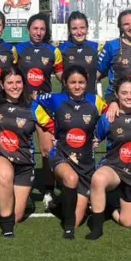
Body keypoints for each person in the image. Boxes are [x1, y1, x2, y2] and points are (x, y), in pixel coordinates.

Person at [34, 66, 107, 239]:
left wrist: (98, 136)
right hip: (61, 156)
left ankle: (59, 205)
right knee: (71, 179)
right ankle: (68, 229)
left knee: (77, 219)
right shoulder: (56, 99)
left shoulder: (95, 101)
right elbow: (34, 103)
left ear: (86, 82)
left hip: (86, 163)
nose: (77, 86)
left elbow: (111, 115)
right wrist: (51, 127)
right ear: (65, 83)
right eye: (72, 82)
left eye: (81, 82)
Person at [87, 78, 131, 241]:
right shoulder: (108, 117)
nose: (129, 97)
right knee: (99, 178)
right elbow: (94, 139)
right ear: (117, 95)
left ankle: (110, 204)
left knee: (128, 222)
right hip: (114, 168)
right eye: (124, 93)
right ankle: (97, 227)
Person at [0, 67, 38, 238]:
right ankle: (6, 227)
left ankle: (7, 200)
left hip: (24, 163)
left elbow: (52, 124)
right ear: (2, 85)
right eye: (9, 83)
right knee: (4, 173)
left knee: (17, 216)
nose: (14, 86)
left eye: (18, 82)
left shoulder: (34, 106)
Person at [15, 13, 63, 104]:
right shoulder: (18, 49)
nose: (38, 33)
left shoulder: (54, 51)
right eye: (35, 28)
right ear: (28, 29)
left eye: (42, 29)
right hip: (22, 101)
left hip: (44, 102)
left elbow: (63, 77)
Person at [57, 11, 102, 95]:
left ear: (87, 28)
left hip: (89, 101)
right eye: (74, 28)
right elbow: (58, 73)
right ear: (69, 30)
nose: (79, 32)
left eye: (82, 27)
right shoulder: (61, 49)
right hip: (68, 101)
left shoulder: (96, 48)